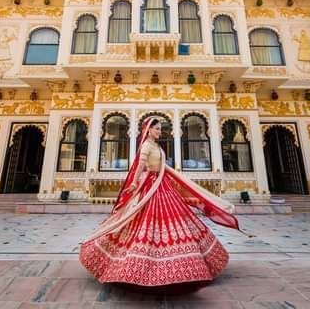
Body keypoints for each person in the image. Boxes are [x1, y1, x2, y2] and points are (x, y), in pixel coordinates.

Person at [79, 117, 250, 287]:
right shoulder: (146, 145)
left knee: (178, 221)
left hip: (162, 186)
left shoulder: (156, 146)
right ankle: (137, 266)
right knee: (143, 223)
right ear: (149, 129)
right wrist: (133, 183)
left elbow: (162, 166)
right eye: (157, 129)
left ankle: (184, 265)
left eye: (161, 129)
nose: (160, 132)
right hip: (150, 188)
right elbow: (140, 166)